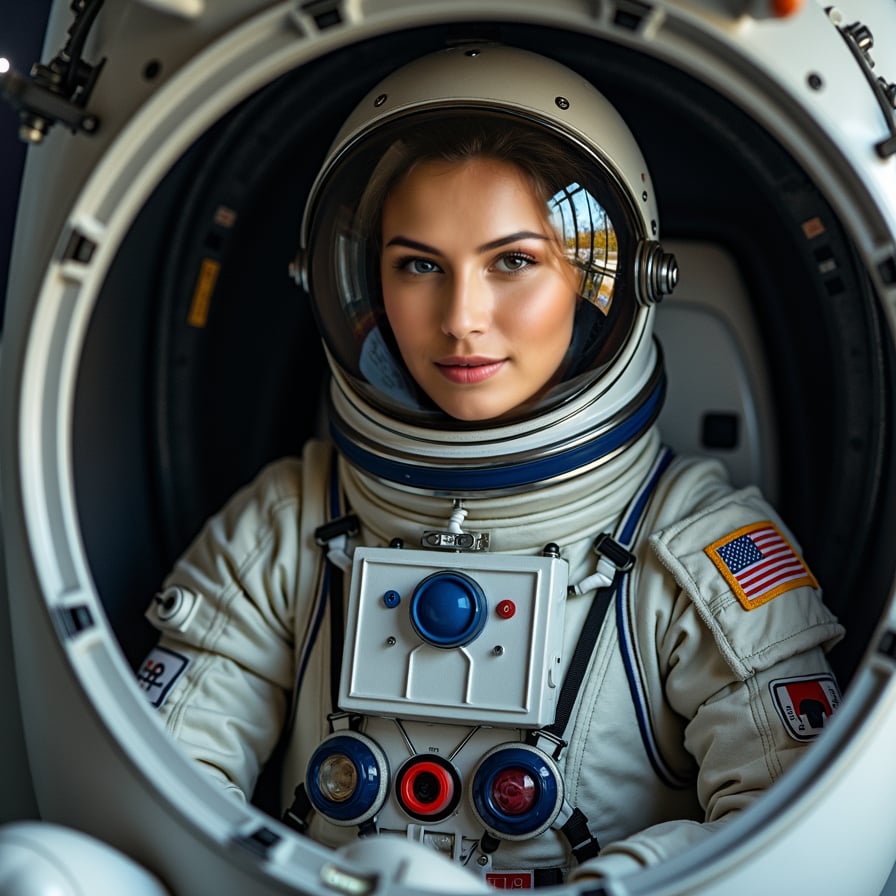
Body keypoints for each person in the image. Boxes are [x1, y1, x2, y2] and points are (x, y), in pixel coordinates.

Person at [138, 44, 845, 887]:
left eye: (513, 261)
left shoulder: (694, 548)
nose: (462, 318)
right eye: (419, 265)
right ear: (359, 283)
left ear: (608, 283)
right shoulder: (290, 521)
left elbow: (792, 837)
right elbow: (160, 790)